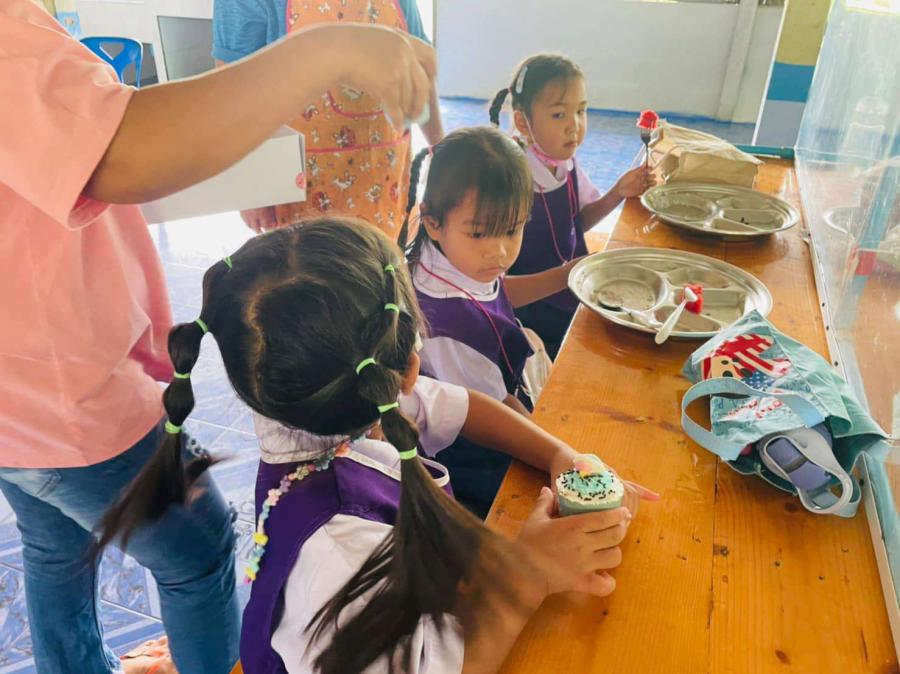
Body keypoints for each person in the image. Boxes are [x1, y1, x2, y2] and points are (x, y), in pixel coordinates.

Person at [0, 2, 435, 671]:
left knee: (54, 541)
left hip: (18, 399)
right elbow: (114, 149)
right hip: (63, 398)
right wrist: (327, 50)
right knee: (196, 549)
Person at [98, 218, 652, 674]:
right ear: (409, 365)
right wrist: (528, 575)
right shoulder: (339, 556)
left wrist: (559, 455)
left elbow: (464, 407)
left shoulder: (323, 402)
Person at [399, 126, 584, 515]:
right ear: (432, 221)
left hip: (500, 398)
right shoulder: (445, 327)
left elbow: (494, 294)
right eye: (481, 233)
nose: (499, 251)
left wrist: (565, 275)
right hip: (476, 456)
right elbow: (496, 412)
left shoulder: (452, 257)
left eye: (513, 230)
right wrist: (558, 446)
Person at [213, 0, 445, 235]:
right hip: (300, 192)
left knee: (384, 254)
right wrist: (250, 187)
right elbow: (234, 86)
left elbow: (419, 69)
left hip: (386, 183)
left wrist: (440, 148)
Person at [490, 54, 656, 358]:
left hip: (570, 294)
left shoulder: (564, 163)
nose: (574, 126)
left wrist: (618, 192)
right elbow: (495, 290)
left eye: (581, 111)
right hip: (530, 320)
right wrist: (566, 275)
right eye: (558, 115)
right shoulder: (510, 180)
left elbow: (574, 222)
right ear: (522, 122)